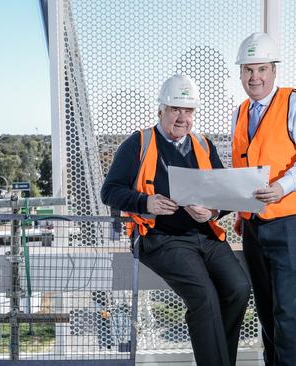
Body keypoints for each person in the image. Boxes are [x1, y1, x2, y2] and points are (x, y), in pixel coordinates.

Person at [101, 74, 251, 366]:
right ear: (161, 111)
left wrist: (212, 213)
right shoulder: (139, 143)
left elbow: (223, 194)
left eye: (188, 111)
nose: (182, 118)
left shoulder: (204, 145)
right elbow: (110, 191)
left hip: (204, 236)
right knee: (204, 297)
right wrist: (147, 202)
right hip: (160, 238)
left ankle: (222, 360)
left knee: (238, 288)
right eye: (175, 110)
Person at [231, 32, 296, 366]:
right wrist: (243, 214)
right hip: (256, 225)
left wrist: (283, 186)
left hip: (294, 223)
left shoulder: (295, 103)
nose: (254, 77)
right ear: (240, 73)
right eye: (248, 70)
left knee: (287, 312)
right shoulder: (241, 111)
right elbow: (243, 165)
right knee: (268, 311)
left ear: (274, 71)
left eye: (261, 70)